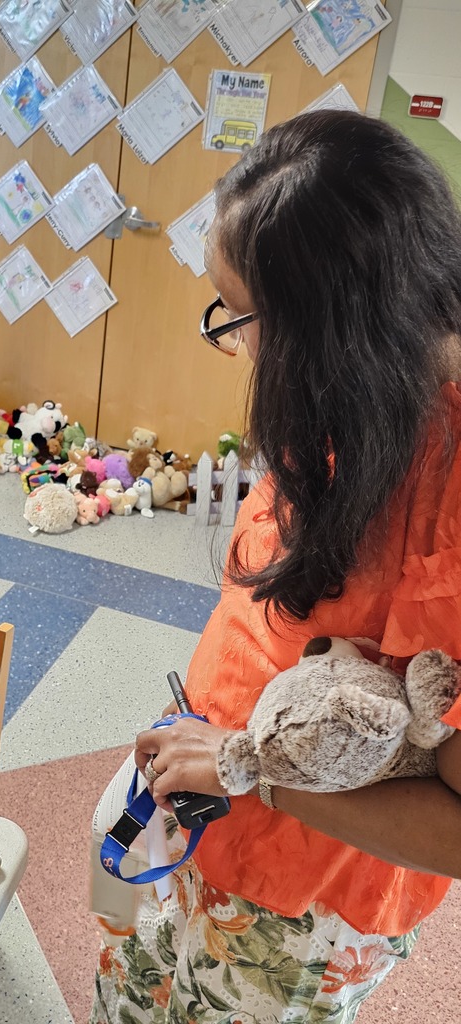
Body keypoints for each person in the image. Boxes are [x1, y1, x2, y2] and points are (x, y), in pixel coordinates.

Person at [92, 109, 461, 1023]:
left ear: (327, 326)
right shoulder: (360, 393)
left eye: (240, 316)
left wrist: (251, 768)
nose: (237, 343)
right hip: (204, 811)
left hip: (298, 899)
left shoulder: (446, 501)